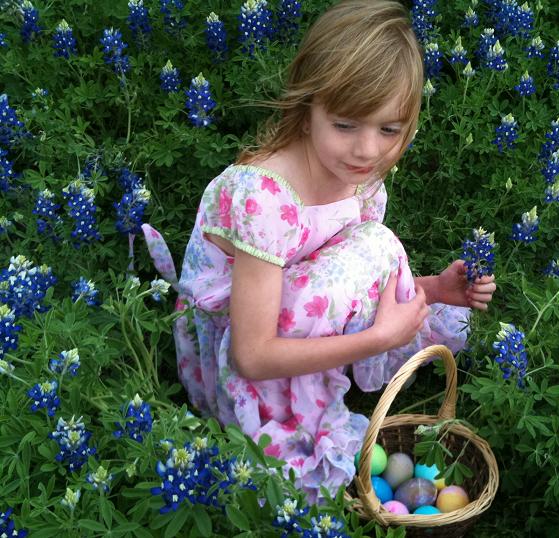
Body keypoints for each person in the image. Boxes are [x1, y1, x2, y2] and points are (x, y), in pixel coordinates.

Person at [142, 0, 496, 503]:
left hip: (295, 315)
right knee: (364, 256)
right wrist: (376, 341)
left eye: (389, 129)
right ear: (306, 108)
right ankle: (292, 428)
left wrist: (434, 289)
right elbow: (251, 356)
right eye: (346, 125)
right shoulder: (263, 198)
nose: (368, 150)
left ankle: (334, 370)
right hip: (238, 365)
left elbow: (352, 271)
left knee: (374, 246)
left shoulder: (363, 181)